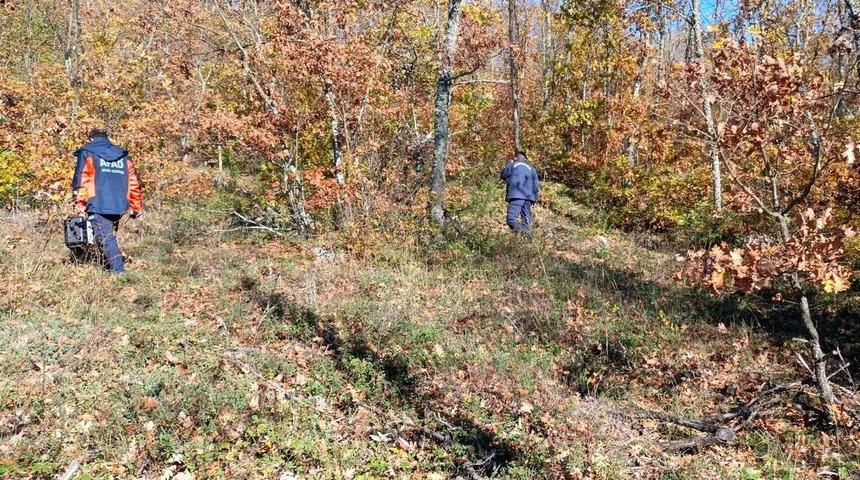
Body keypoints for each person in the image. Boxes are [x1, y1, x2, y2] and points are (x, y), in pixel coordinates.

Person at [71, 129, 143, 274]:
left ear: (91, 139)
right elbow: (133, 182)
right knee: (106, 238)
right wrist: (136, 206)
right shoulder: (123, 156)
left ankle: (119, 272)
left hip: (97, 202)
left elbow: (83, 178)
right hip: (118, 205)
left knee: (106, 239)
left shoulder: (88, 152)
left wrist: (80, 203)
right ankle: (108, 268)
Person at [500, 151, 539, 234]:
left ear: (515, 157)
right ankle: (528, 242)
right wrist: (535, 198)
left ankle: (525, 233)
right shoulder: (532, 168)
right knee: (526, 222)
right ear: (525, 159)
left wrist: (508, 164)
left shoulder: (512, 165)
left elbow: (503, 175)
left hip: (516, 196)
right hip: (529, 198)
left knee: (511, 219)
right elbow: (536, 185)